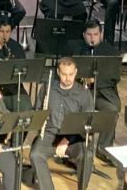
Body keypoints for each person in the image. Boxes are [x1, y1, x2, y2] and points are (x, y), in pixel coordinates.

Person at [30, 57, 94, 190]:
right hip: (50, 134)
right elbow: (37, 111)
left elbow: (85, 123)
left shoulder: (84, 93)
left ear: (76, 72)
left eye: (71, 74)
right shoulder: (47, 88)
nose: (68, 78)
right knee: (35, 155)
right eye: (64, 74)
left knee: (87, 155)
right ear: (58, 72)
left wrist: (66, 141)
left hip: (74, 137)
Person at [67, 21, 120, 157]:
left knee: (112, 111)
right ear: (84, 35)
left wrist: (95, 80)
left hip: (101, 93)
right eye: (89, 34)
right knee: (79, 110)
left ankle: (103, 149)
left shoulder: (111, 52)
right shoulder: (75, 49)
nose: (92, 38)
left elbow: (114, 77)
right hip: (79, 92)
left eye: (95, 34)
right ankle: (76, 147)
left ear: (101, 35)